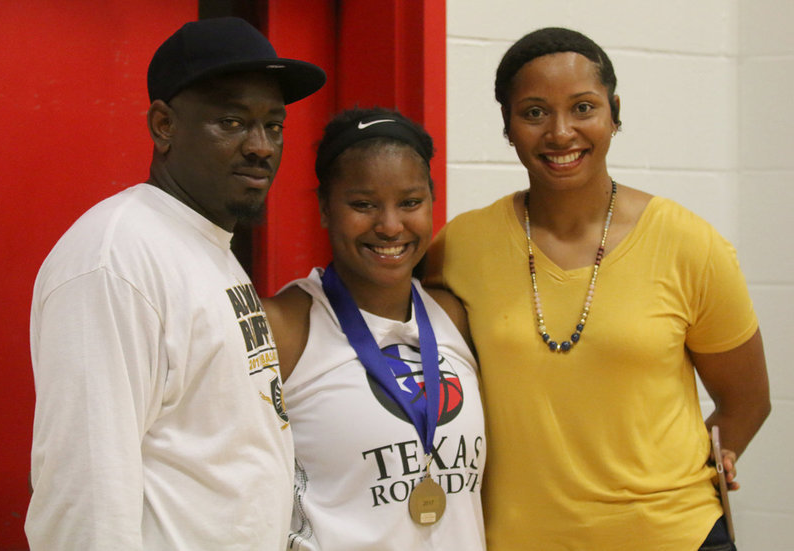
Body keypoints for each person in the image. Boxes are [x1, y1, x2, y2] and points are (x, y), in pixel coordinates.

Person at [425, 27, 771, 551]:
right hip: (519, 539)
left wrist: (696, 465)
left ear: (614, 112)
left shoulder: (687, 243)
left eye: (583, 107)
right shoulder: (460, 246)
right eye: (534, 112)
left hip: (675, 535)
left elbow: (747, 401)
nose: (561, 133)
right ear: (507, 126)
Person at [26, 17, 325, 550]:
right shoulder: (116, 259)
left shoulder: (203, 245)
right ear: (163, 125)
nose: (261, 146)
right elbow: (83, 499)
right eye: (232, 122)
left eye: (273, 125)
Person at [262, 107, 486, 550]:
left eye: (410, 202)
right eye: (363, 204)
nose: (389, 225)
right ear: (326, 208)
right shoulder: (286, 327)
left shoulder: (451, 316)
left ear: (432, 200)